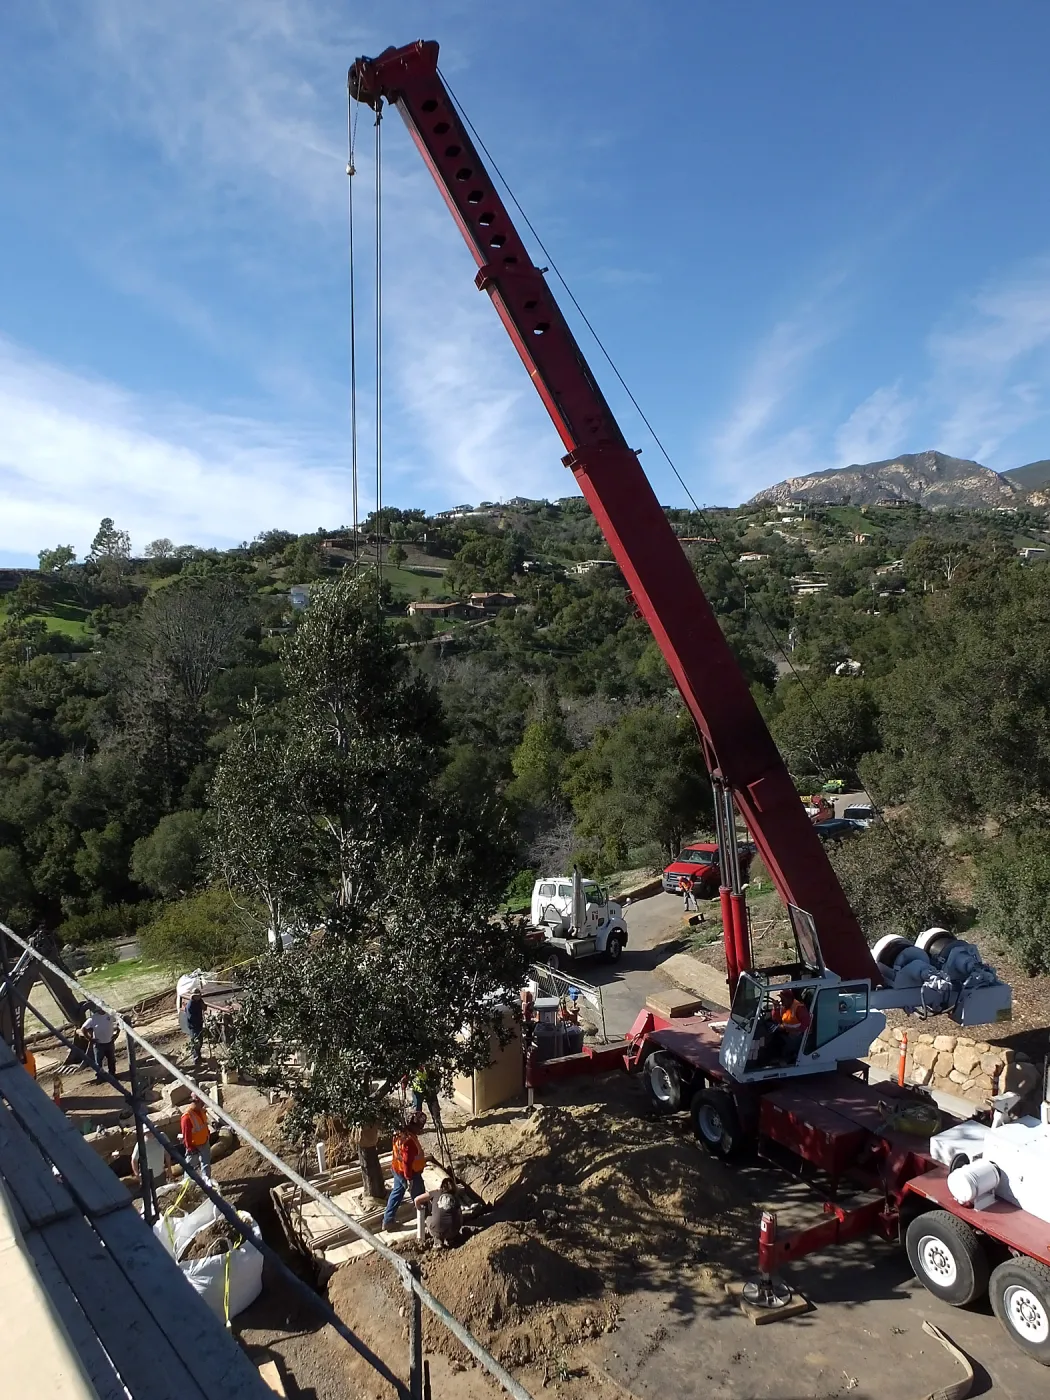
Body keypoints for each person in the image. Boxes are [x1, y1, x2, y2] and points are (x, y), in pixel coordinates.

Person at [383, 1111, 427, 1231]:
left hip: (397, 1169)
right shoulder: (409, 1142)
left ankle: (388, 1220)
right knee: (420, 1195)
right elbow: (407, 1161)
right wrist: (409, 1179)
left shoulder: (400, 1134)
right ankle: (426, 1217)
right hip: (409, 1173)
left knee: (397, 1193)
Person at [181, 1093, 213, 1182]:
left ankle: (207, 1182)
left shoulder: (201, 1111)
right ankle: (187, 1186)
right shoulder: (187, 1117)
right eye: (201, 1103)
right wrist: (190, 1147)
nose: (203, 1105)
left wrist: (208, 1133)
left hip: (204, 1141)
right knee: (191, 1168)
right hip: (193, 1146)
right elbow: (186, 1134)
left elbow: (204, 1125)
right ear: (196, 1102)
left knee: (206, 1164)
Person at [82, 1005, 117, 1083]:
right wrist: (89, 1039)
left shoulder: (110, 1015)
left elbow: (119, 1021)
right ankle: (100, 1077)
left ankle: (112, 1074)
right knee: (98, 1062)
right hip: (99, 1044)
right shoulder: (93, 1018)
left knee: (111, 1060)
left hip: (110, 1042)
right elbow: (83, 1028)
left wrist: (117, 1033)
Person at [426, 1177, 462, 1249]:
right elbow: (459, 1214)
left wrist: (418, 1207)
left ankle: (437, 1241)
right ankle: (450, 1239)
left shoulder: (436, 1192)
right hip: (453, 1231)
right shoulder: (455, 1197)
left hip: (438, 1230)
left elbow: (417, 1199)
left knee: (428, 1219)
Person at [185, 988, 206, 1067]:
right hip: (193, 1026)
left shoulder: (199, 1001)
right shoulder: (190, 1005)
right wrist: (199, 1020)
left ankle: (199, 1056)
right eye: (197, 996)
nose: (199, 997)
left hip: (199, 1024)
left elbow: (204, 1007)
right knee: (196, 1042)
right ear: (193, 996)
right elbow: (191, 1017)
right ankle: (196, 1058)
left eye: (199, 996)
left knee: (200, 1040)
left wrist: (203, 1006)